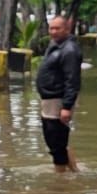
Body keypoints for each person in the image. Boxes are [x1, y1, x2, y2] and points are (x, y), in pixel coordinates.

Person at [35, 14, 81, 173]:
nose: (53, 32)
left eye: (57, 28)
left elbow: (72, 80)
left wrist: (67, 106)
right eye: (51, 28)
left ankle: (60, 179)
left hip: (58, 100)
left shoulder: (69, 50)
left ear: (67, 29)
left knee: (55, 140)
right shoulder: (56, 45)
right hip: (49, 99)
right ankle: (73, 172)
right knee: (57, 140)